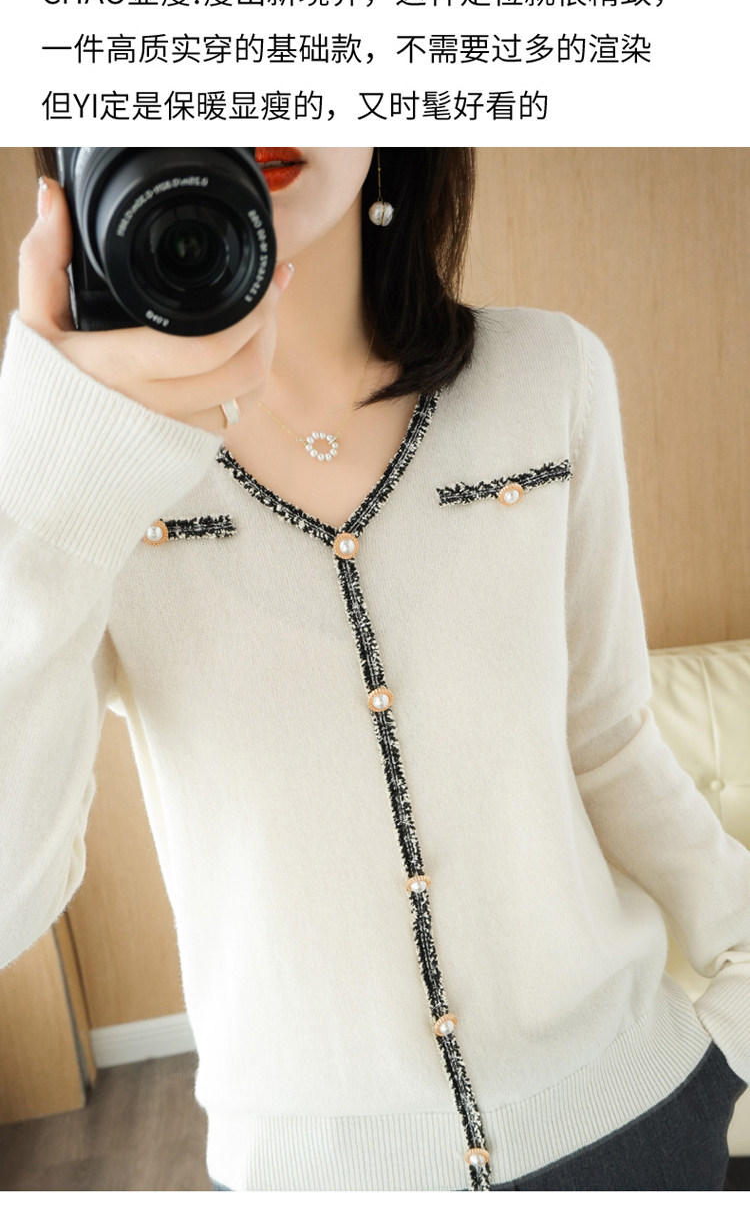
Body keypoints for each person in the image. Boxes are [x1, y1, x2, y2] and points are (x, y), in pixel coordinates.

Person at [0, 147, 748, 1193]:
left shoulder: (552, 373)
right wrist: (44, 488)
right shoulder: (71, 470)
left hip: (639, 1109)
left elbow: (610, 742)